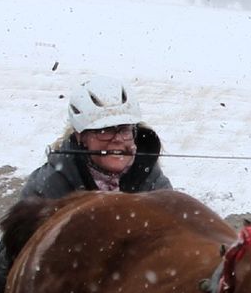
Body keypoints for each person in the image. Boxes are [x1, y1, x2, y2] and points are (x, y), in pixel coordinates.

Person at [18, 76, 172, 200]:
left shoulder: (153, 181)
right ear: (81, 136)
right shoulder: (49, 186)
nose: (118, 139)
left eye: (125, 129)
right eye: (105, 130)